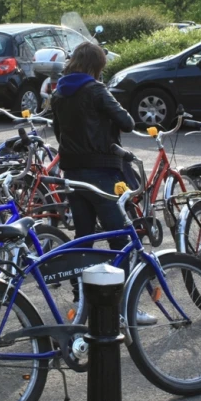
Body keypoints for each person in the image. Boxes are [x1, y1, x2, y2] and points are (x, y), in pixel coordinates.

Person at [51, 42, 155, 324]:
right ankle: (124, 307)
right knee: (120, 239)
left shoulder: (59, 92)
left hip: (72, 173)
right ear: (97, 67)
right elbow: (127, 122)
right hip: (102, 172)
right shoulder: (96, 90)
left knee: (83, 237)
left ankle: (80, 296)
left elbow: (58, 132)